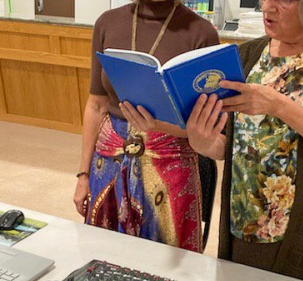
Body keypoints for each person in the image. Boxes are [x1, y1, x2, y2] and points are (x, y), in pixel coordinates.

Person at [186, 0, 303, 279]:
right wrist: (203, 143)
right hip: (244, 220)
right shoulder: (248, 53)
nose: (267, 7)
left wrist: (279, 106)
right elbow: (231, 142)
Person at [73, 0, 219, 253]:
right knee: (106, 253)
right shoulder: (107, 22)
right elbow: (96, 104)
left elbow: (205, 123)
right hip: (109, 162)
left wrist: (158, 124)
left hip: (170, 164)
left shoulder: (201, 33)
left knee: (167, 259)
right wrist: (83, 176)